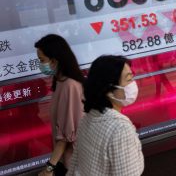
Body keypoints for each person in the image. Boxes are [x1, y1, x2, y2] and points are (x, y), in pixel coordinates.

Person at [67, 55, 144, 176]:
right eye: (129, 80)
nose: (133, 84)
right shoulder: (120, 130)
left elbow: (75, 163)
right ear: (108, 91)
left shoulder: (88, 118)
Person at [35, 34, 85, 176]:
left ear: (55, 60)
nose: (40, 64)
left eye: (42, 60)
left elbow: (66, 136)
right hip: (67, 161)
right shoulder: (60, 81)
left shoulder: (70, 85)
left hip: (75, 164)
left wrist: (49, 168)